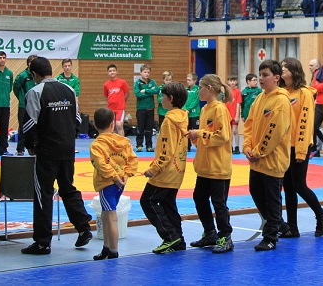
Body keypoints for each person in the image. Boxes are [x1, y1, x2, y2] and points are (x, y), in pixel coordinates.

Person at [20, 57, 93, 255]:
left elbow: (29, 124)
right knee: (68, 188)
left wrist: (30, 146)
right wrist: (68, 140)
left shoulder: (35, 92)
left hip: (46, 151)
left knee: (43, 194)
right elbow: (77, 120)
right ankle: (84, 228)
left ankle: (42, 242)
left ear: (34, 74)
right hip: (67, 149)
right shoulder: (68, 90)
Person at [277, 58, 323, 238]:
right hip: (283, 148)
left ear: (294, 70)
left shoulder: (304, 93)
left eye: (285, 67)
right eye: (281, 67)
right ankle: (293, 227)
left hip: (299, 146)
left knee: (299, 185)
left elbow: (305, 123)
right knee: (288, 187)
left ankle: (321, 215)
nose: (282, 70)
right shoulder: (281, 92)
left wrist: (300, 150)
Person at [244, 60, 291, 251]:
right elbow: (249, 124)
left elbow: (274, 132)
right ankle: (281, 225)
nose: (261, 79)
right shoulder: (259, 98)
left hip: (273, 160)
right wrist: (247, 146)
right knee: (256, 192)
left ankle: (270, 236)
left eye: (265, 75)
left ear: (277, 78)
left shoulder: (281, 101)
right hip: (257, 160)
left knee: (272, 200)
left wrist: (258, 152)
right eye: (260, 75)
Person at [141, 80, 190, 254]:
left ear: (171, 98)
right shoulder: (183, 117)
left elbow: (166, 151)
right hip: (177, 170)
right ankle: (179, 240)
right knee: (168, 203)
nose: (160, 99)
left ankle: (169, 236)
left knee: (147, 201)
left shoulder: (169, 121)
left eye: (162, 96)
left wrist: (153, 169)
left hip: (166, 171)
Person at [188, 74, 235, 254]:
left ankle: (226, 236)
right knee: (199, 198)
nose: (197, 91)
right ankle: (210, 233)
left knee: (219, 203)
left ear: (209, 89)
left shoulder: (219, 109)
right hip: (205, 166)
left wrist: (200, 134)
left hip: (218, 166)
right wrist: (195, 137)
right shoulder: (205, 109)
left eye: (200, 88)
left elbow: (223, 136)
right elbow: (206, 133)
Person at [89, 107, 138, 261]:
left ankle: (113, 252)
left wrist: (115, 177)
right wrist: (125, 175)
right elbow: (133, 160)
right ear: (113, 124)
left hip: (107, 184)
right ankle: (107, 247)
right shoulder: (123, 142)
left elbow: (101, 165)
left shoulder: (97, 145)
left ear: (95, 125)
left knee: (111, 218)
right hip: (120, 183)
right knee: (106, 216)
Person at [13, 54, 38, 155]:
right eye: (31, 62)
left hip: (36, 106)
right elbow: (16, 88)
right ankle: (20, 148)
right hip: (24, 106)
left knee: (36, 127)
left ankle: (35, 147)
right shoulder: (22, 76)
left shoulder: (39, 75)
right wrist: (22, 98)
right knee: (22, 127)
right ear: (28, 64)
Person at [134, 64, 160, 152]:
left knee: (149, 129)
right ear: (141, 73)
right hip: (141, 109)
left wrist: (145, 90)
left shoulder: (152, 82)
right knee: (140, 128)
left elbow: (156, 90)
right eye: (145, 72)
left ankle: (149, 146)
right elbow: (138, 94)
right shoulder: (137, 83)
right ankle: (139, 145)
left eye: (148, 72)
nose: (147, 74)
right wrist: (150, 93)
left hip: (150, 109)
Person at [103, 64, 130, 136]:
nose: (112, 72)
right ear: (107, 73)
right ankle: (114, 141)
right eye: (110, 71)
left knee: (119, 125)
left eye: (113, 71)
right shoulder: (106, 84)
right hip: (111, 108)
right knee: (112, 127)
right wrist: (111, 102)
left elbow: (126, 93)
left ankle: (122, 141)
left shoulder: (122, 82)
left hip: (120, 108)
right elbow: (106, 96)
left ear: (116, 72)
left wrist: (122, 101)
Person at [240, 73, 261, 144]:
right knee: (248, 132)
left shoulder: (259, 91)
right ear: (248, 81)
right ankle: (248, 145)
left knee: (256, 131)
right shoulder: (244, 92)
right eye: (254, 80)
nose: (256, 82)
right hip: (246, 114)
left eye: (256, 80)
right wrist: (242, 115)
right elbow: (242, 104)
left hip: (256, 115)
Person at [184, 73, 201, 151]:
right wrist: (184, 109)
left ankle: (198, 145)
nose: (188, 81)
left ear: (195, 80)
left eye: (189, 80)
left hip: (195, 114)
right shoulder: (185, 90)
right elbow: (183, 100)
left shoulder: (197, 90)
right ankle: (187, 146)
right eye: (187, 80)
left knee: (196, 129)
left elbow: (195, 101)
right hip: (186, 113)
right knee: (187, 130)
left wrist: (188, 109)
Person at [227, 75, 242, 154]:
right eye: (231, 81)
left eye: (234, 81)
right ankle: (230, 146)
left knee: (235, 131)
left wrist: (237, 115)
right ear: (228, 82)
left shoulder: (238, 91)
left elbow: (238, 104)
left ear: (236, 82)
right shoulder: (227, 91)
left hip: (234, 114)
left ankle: (237, 147)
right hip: (228, 114)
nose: (232, 82)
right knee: (229, 131)